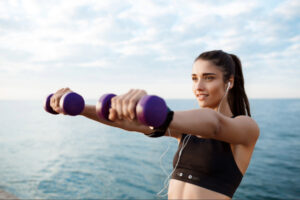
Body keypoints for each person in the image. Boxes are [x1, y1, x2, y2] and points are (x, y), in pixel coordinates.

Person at [50, 50, 259, 199]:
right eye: (194, 78)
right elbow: (127, 123)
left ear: (229, 81)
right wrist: (77, 109)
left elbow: (215, 125)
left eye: (208, 78)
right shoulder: (186, 131)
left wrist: (161, 115)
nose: (198, 86)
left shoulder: (246, 128)